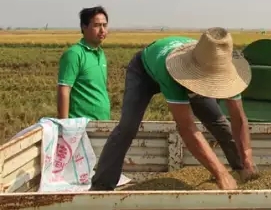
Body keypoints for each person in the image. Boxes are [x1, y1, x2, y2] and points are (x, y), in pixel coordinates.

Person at [90, 27, 256, 191]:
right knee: (127, 126)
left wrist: (247, 160)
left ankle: (242, 170)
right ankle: (101, 185)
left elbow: (239, 119)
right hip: (145, 71)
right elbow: (187, 128)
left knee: (218, 122)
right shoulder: (176, 71)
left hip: (199, 69)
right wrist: (221, 174)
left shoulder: (225, 68)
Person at [57, 6, 110, 120]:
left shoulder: (101, 54)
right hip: (79, 126)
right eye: (97, 25)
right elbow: (64, 90)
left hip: (101, 123)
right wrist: (65, 126)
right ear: (84, 27)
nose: (102, 30)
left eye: (104, 25)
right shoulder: (74, 54)